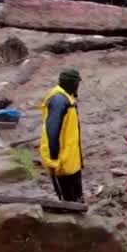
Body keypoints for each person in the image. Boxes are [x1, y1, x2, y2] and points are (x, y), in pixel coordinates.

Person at [39, 69, 84, 202]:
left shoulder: (67, 98)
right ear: (73, 83)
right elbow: (52, 131)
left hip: (71, 160)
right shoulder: (59, 101)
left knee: (77, 199)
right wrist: (53, 160)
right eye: (77, 83)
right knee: (68, 201)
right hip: (61, 162)